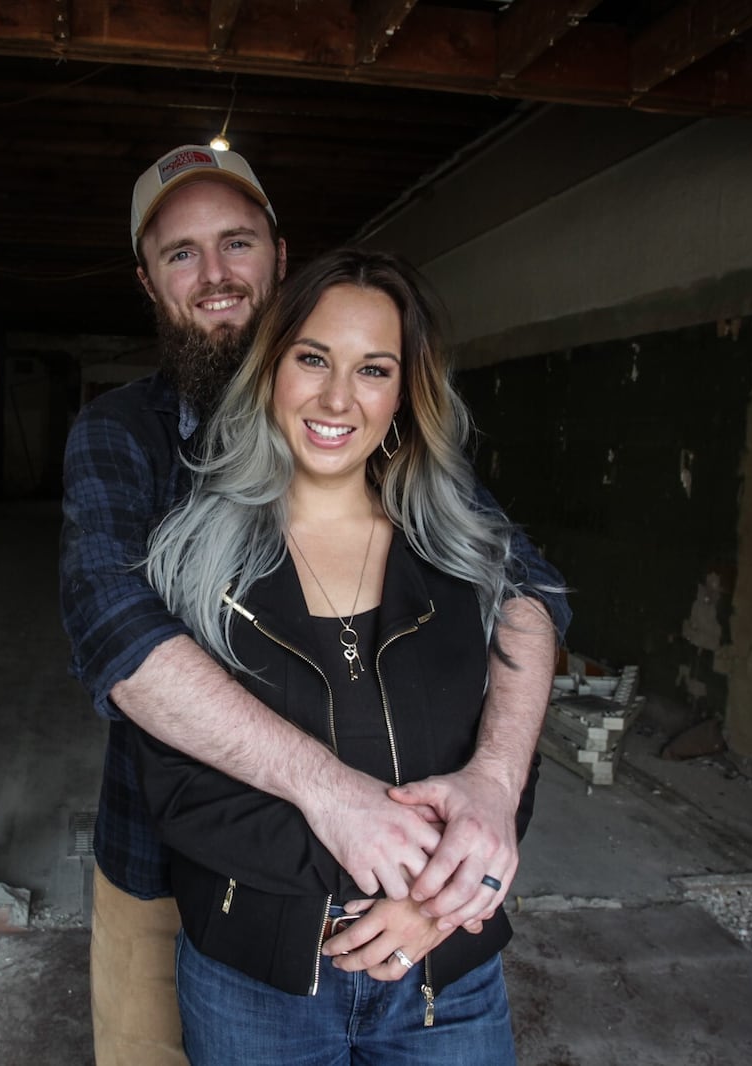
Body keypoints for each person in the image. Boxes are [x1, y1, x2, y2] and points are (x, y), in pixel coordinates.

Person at [60, 146, 567, 1065]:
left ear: (279, 257)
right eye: (182, 255)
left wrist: (486, 793)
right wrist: (345, 807)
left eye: (236, 243)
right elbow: (118, 635)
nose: (215, 276)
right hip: (174, 869)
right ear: (147, 280)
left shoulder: (414, 490)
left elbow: (525, 589)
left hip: (422, 926)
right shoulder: (123, 437)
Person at [137, 248, 535, 1063]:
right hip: (255, 984)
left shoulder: (463, 563)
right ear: (270, 370)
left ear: (403, 395)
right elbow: (178, 794)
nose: (336, 398)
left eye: (373, 369)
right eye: (313, 358)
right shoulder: (194, 562)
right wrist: (363, 861)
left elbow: (500, 772)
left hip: (445, 978)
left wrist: (435, 905)